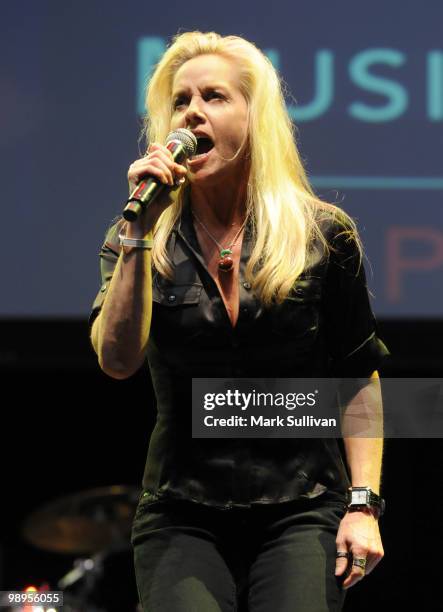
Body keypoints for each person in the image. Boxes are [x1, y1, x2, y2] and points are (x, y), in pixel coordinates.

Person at [89, 31, 390, 612]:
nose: (193, 113)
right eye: (181, 101)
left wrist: (364, 503)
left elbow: (358, 378)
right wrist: (138, 237)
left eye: (215, 97)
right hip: (182, 511)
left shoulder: (323, 235)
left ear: (256, 118)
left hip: (304, 504)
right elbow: (117, 361)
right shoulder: (137, 237)